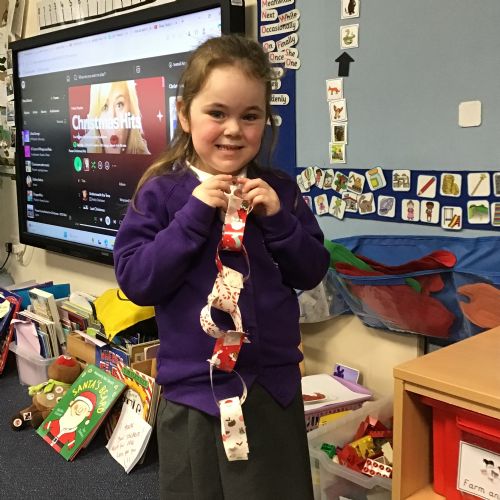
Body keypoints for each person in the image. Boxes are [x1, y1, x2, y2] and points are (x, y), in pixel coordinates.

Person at [113, 34, 330, 500]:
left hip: (271, 390)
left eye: (250, 116)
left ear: (265, 121)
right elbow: (136, 280)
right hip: (195, 396)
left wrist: (280, 221)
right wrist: (192, 217)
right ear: (184, 114)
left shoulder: (279, 190)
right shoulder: (161, 193)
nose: (233, 129)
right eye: (217, 113)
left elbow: (311, 271)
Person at [79, 80, 150, 154]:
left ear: (131, 109)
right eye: (104, 107)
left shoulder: (145, 157)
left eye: (119, 105)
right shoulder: (84, 150)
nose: (112, 120)